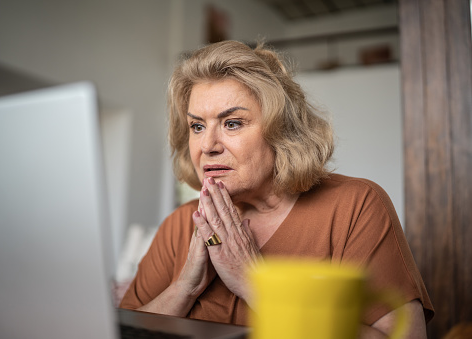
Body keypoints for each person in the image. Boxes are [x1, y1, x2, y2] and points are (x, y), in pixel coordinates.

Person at [120, 40, 434, 338]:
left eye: (232, 123)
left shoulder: (355, 207)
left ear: (281, 131)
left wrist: (256, 284)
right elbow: (118, 330)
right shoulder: (180, 224)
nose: (207, 146)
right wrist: (182, 290)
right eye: (197, 126)